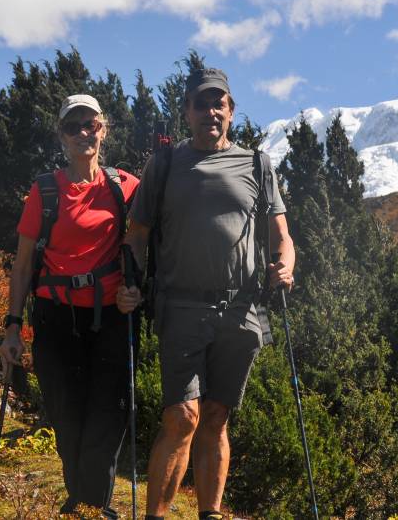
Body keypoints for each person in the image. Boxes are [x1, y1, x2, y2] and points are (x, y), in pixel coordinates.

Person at [116, 68, 295, 520]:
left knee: (215, 415)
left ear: (231, 111)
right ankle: (156, 514)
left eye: (219, 103)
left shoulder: (257, 164)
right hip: (180, 304)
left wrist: (286, 263)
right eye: (201, 104)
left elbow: (281, 236)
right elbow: (136, 233)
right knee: (182, 417)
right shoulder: (166, 164)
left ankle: (210, 513)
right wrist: (131, 279)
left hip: (242, 308)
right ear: (187, 111)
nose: (210, 112)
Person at [0, 94, 140, 518]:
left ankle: (88, 505)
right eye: (73, 126)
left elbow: (147, 248)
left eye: (91, 124)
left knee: (110, 411)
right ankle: (82, 499)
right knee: (66, 410)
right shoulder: (44, 190)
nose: (84, 133)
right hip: (55, 317)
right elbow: (23, 266)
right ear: (61, 136)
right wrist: (12, 327)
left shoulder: (125, 187)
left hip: (111, 316)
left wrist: (136, 290)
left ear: (104, 129)